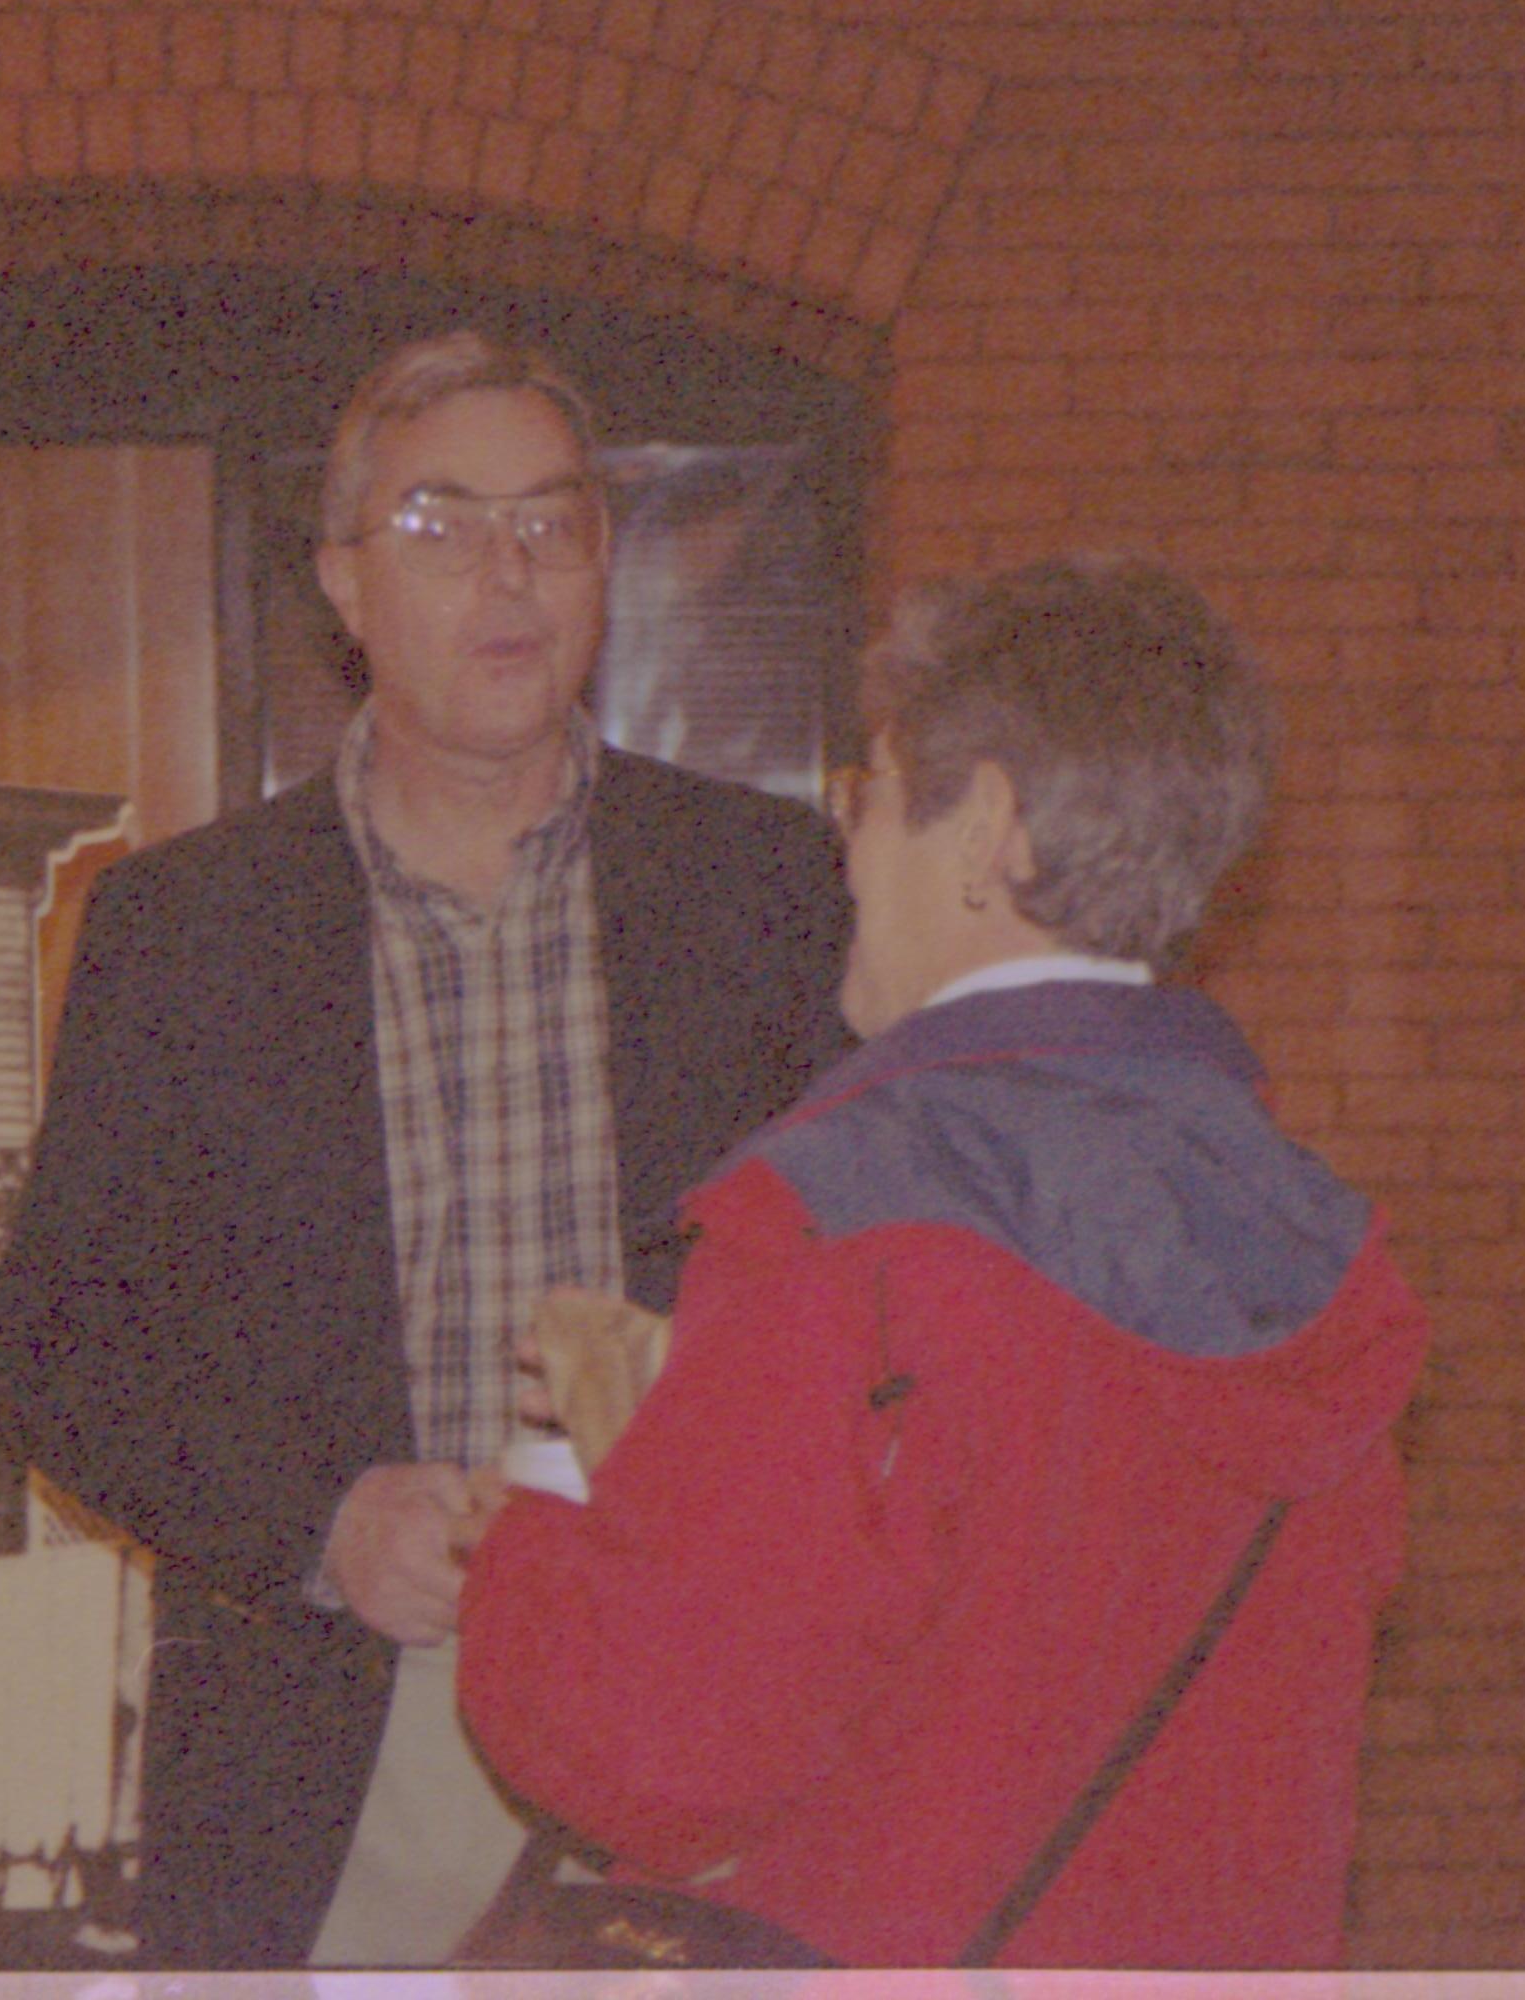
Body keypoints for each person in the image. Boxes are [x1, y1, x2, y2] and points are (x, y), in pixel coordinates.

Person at [0, 330, 850, 1967]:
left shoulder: (769, 890)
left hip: (696, 1715)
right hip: (328, 1745)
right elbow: (59, 1352)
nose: (510, 573)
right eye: (444, 526)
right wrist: (319, 1525)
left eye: (554, 521)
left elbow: (878, 1311)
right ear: (343, 583)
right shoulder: (187, 930)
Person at [453, 555, 1429, 1967]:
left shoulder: (836, 1229)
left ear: (984, 833)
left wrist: (543, 1511)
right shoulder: (1319, 1241)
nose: (844, 845)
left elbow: (653, 1759)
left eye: (869, 798)